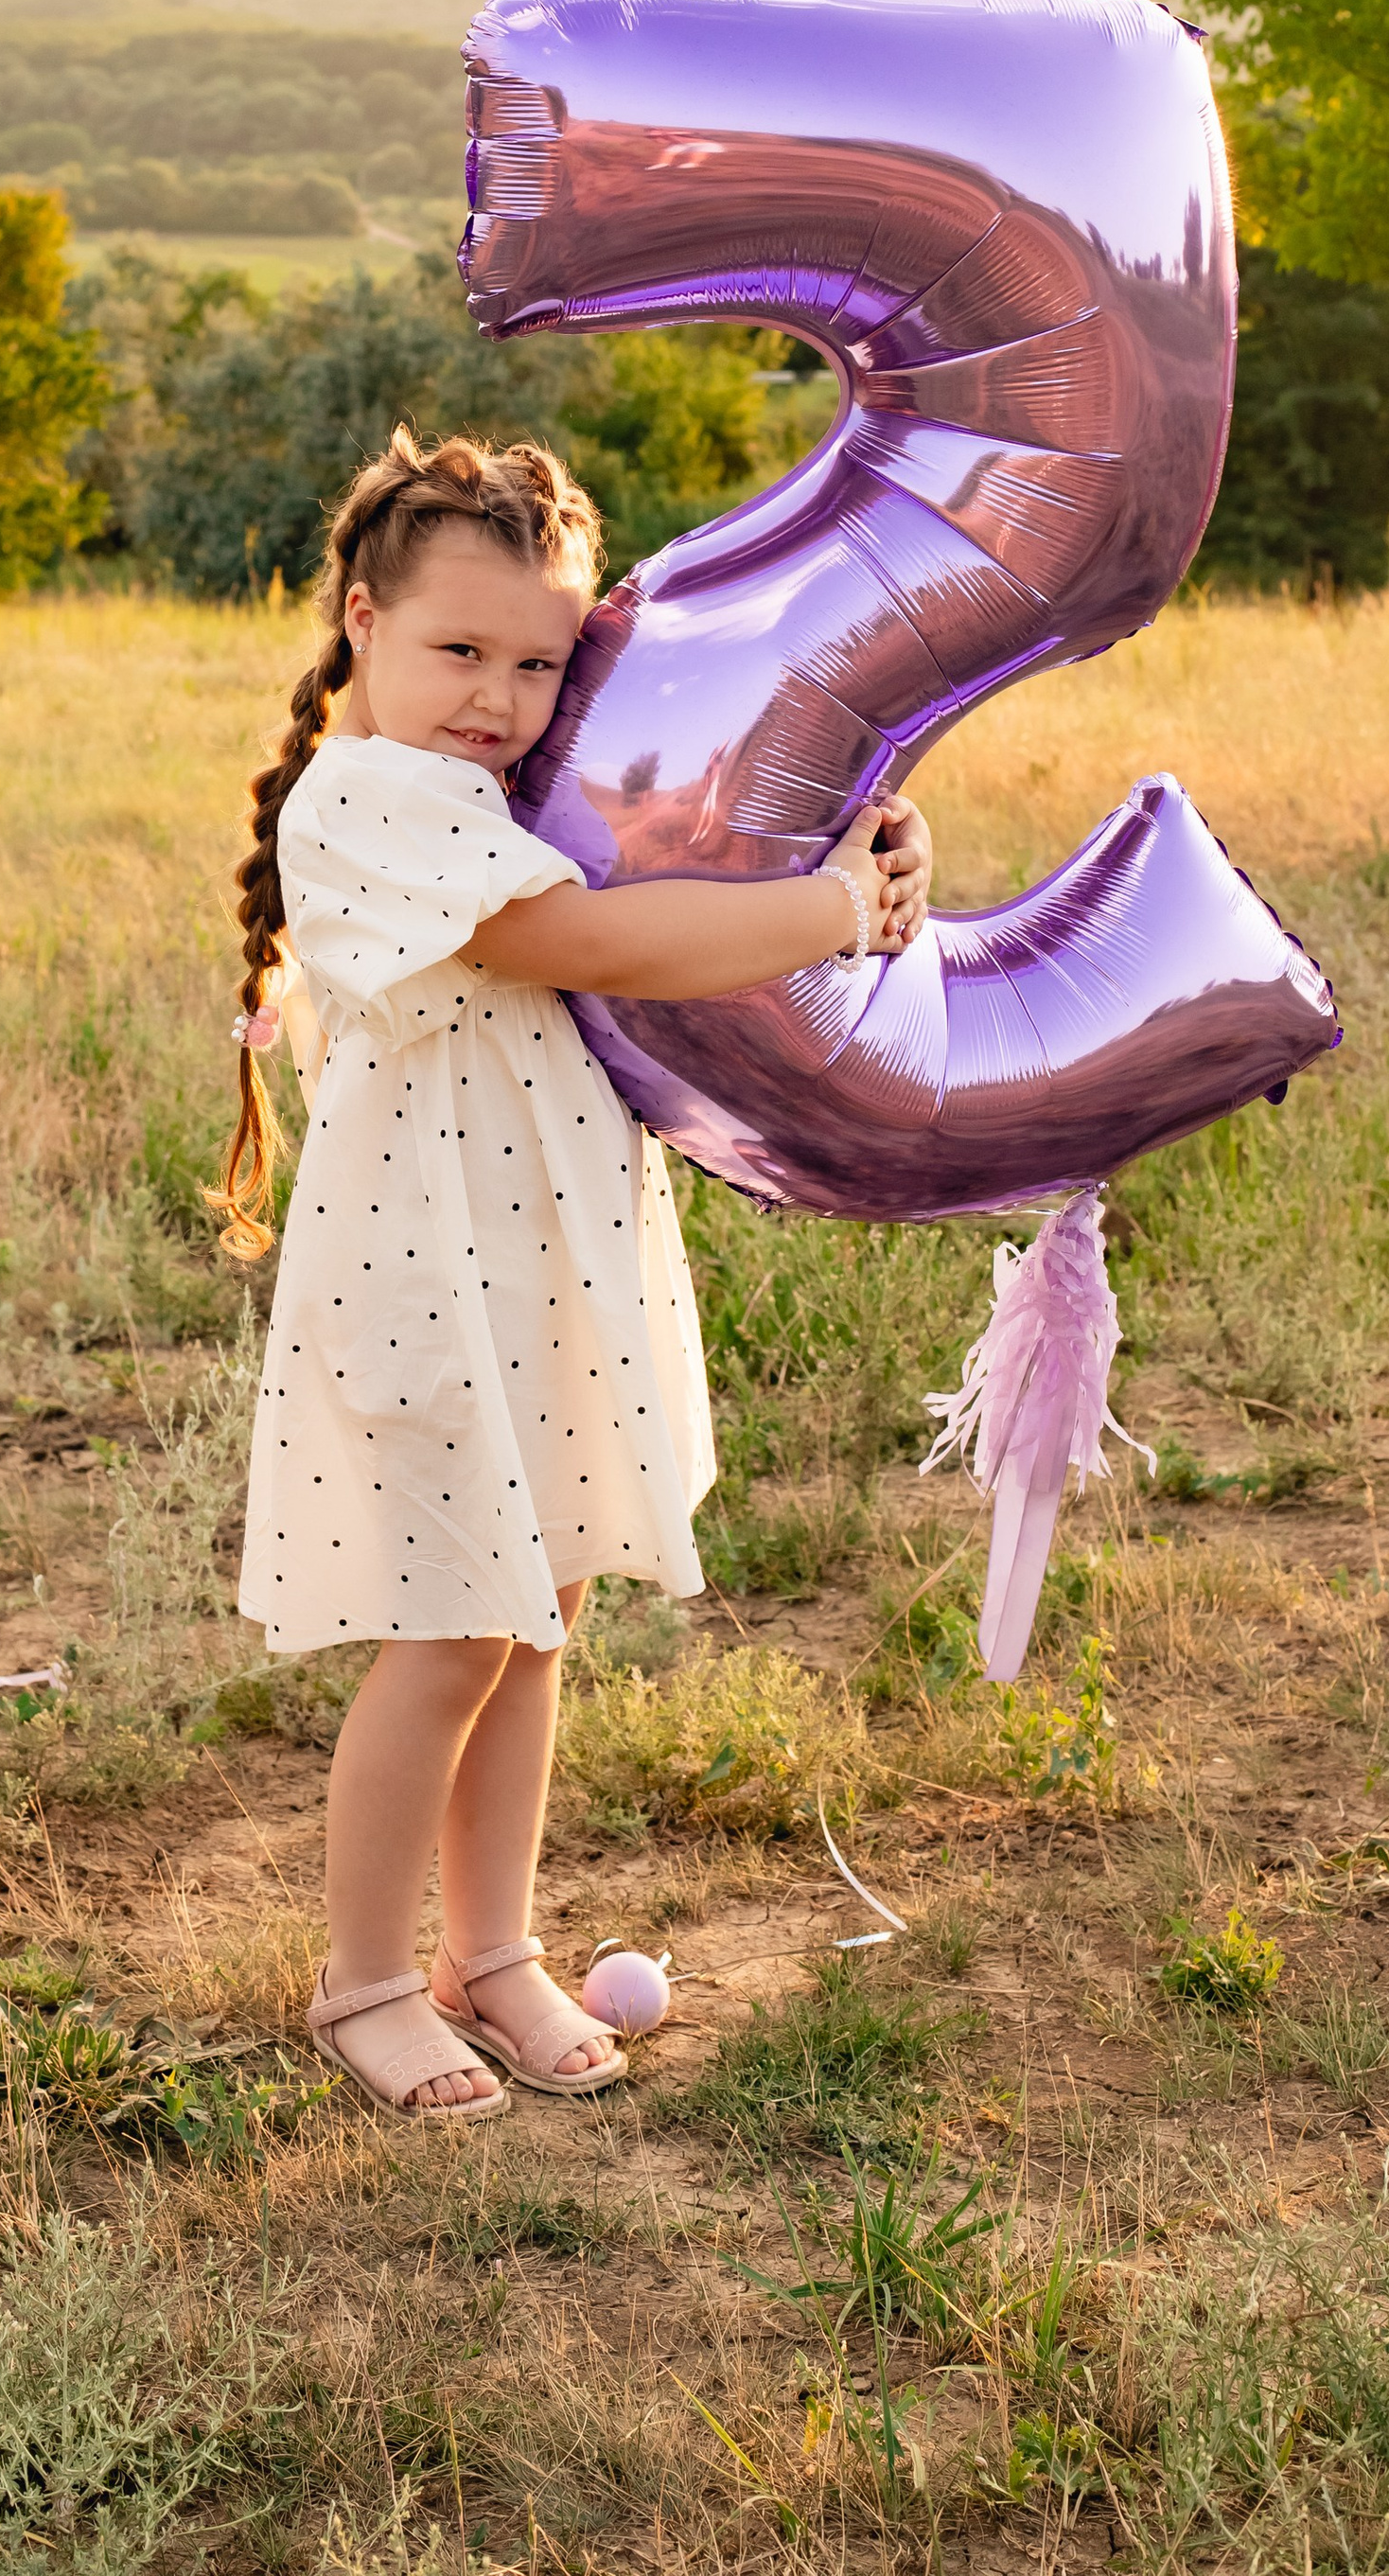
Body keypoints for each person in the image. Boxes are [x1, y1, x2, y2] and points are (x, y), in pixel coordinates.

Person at [212, 427, 929, 2118]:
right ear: (361, 623)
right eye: (459, 650)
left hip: (545, 1253)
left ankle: (495, 1953)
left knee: (541, 1620)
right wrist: (830, 914)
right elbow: (588, 941)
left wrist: (868, 845)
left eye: (539, 661)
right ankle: (368, 1983)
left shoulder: (503, 792)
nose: (497, 694)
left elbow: (688, 861)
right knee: (454, 1629)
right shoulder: (369, 797)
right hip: (430, 1269)